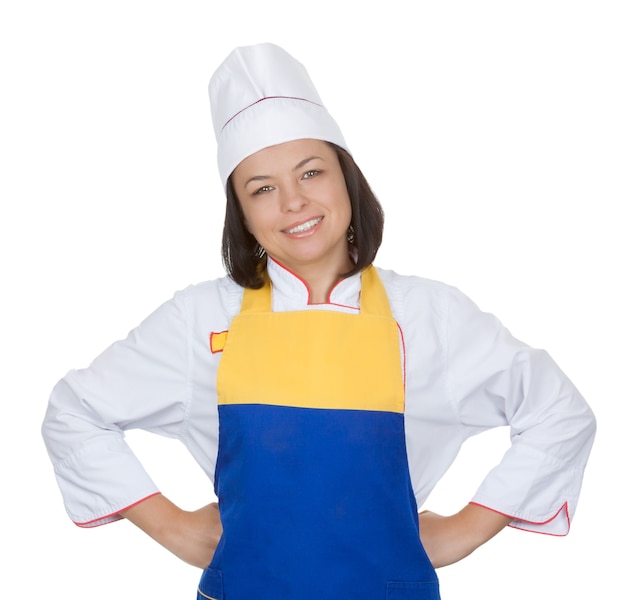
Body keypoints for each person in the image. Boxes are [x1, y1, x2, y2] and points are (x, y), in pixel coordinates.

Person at [42, 43, 596, 600]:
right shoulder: (199, 319)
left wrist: (467, 530)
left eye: (311, 172)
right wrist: (170, 525)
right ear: (241, 212)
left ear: (346, 178)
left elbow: (557, 411)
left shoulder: (431, 317)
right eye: (262, 188)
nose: (293, 202)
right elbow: (75, 411)